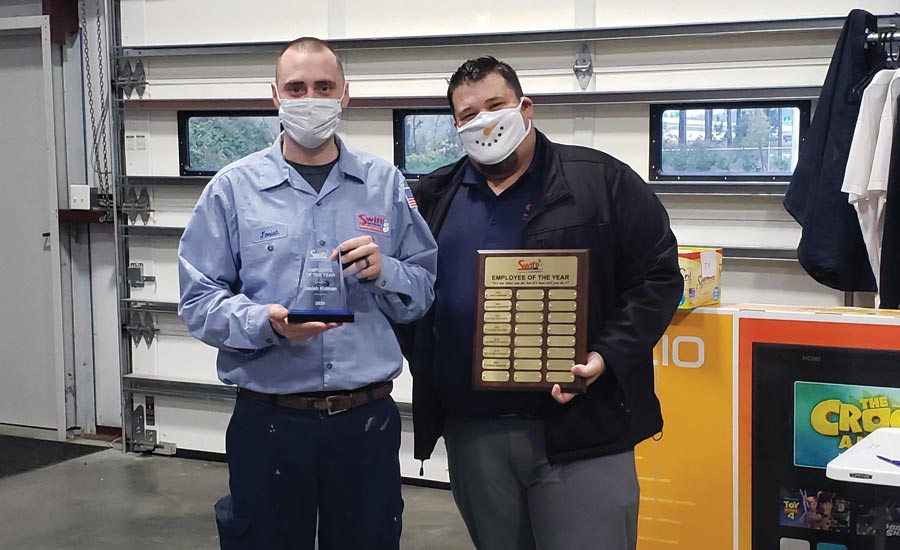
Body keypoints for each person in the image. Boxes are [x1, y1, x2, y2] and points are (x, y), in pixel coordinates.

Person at [403, 56, 683, 550]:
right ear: (456, 126)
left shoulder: (602, 182)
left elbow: (658, 279)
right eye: (469, 115)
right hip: (475, 436)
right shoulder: (434, 196)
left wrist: (606, 356)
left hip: (581, 431)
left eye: (496, 105)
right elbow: (412, 298)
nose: (483, 121)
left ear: (525, 107)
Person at [178, 37, 437, 550]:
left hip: (365, 422)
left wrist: (386, 271)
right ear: (275, 95)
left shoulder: (384, 185)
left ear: (345, 95)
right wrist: (265, 322)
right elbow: (197, 300)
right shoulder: (233, 189)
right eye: (296, 87)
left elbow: (424, 288)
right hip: (269, 421)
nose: (310, 98)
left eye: (323, 86)